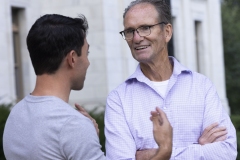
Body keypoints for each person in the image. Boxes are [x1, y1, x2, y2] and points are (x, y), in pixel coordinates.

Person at [3, 14, 172, 160]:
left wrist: (87, 141)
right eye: (87, 53)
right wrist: (164, 150)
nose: (88, 62)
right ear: (72, 59)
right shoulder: (71, 124)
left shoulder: (16, 115)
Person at [104, 0, 237, 159]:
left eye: (145, 28)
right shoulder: (118, 100)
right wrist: (198, 149)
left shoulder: (202, 87)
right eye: (130, 31)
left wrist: (157, 154)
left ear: (167, 32)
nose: (137, 38)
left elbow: (227, 152)